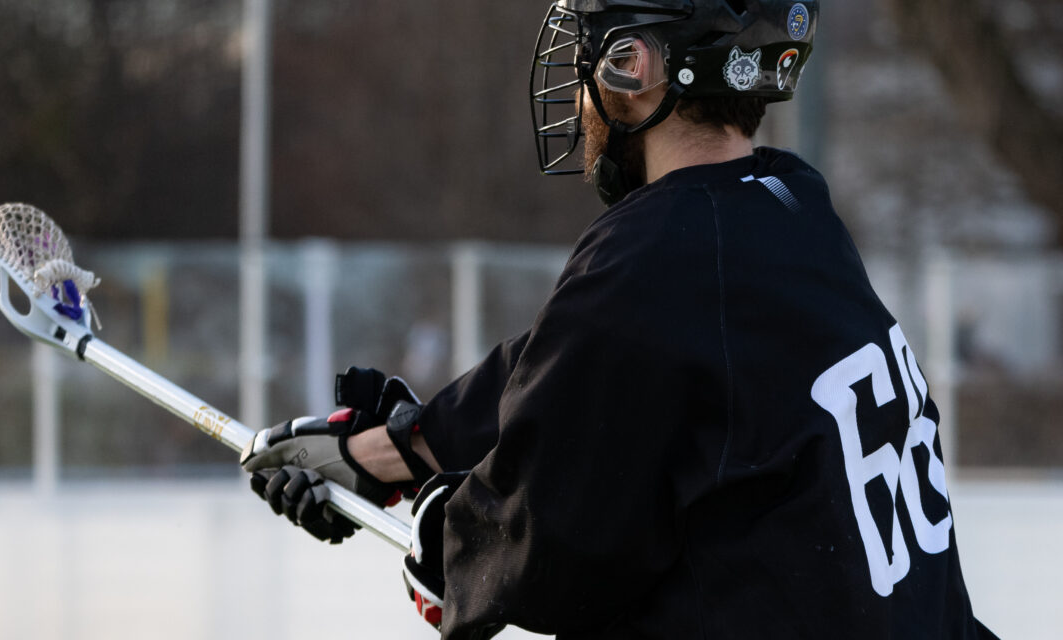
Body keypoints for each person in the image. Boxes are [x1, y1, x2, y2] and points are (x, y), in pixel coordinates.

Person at [240, 1, 998, 638]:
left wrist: (443, 536)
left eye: (587, 58)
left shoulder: (652, 254)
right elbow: (571, 362)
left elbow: (541, 552)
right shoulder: (791, 207)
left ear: (633, 67)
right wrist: (400, 447)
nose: (576, 97)